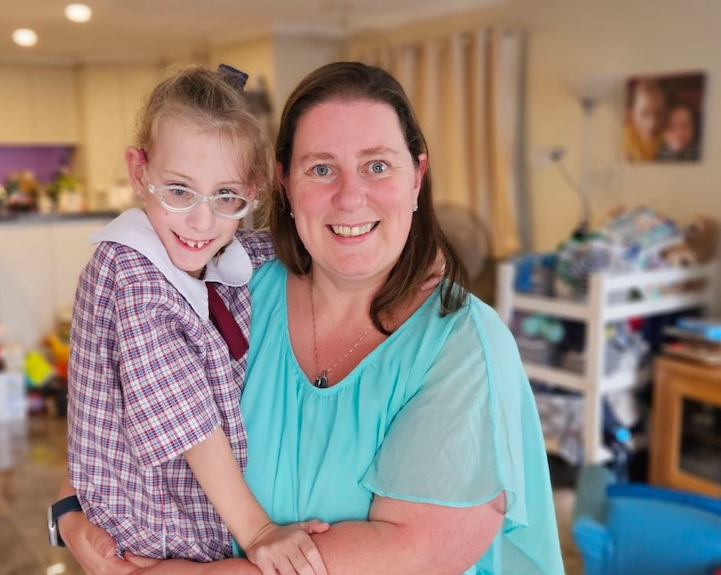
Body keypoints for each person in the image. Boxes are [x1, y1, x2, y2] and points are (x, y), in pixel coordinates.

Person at [57, 61, 566, 574]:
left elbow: (409, 558)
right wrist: (69, 512)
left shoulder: (462, 346)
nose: (350, 197)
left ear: (417, 177)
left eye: (378, 165)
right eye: (321, 168)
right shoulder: (237, 283)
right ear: (282, 184)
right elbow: (119, 404)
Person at [62, 65, 331, 575]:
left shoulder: (210, 251)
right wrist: (259, 532)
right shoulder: (129, 270)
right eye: (179, 190)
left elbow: (259, 247)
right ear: (139, 172)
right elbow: (186, 418)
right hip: (153, 533)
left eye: (226, 196)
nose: (202, 222)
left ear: (251, 191)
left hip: (194, 527)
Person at [623, 78, 668, 162]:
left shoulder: (667, 134)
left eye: (658, 114)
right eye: (644, 114)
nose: (652, 123)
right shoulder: (624, 137)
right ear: (631, 113)